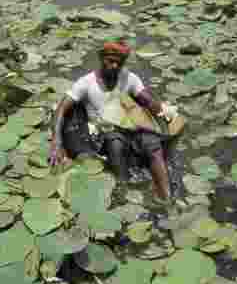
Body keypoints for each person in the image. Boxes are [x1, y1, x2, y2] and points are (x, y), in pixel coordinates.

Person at [49, 41, 178, 203]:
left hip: (129, 125)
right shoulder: (87, 82)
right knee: (114, 142)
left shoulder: (130, 78)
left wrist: (161, 114)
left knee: (152, 144)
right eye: (110, 61)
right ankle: (123, 189)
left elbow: (147, 100)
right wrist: (57, 141)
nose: (115, 66)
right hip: (104, 131)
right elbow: (62, 108)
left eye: (119, 63)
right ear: (101, 58)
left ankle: (166, 197)